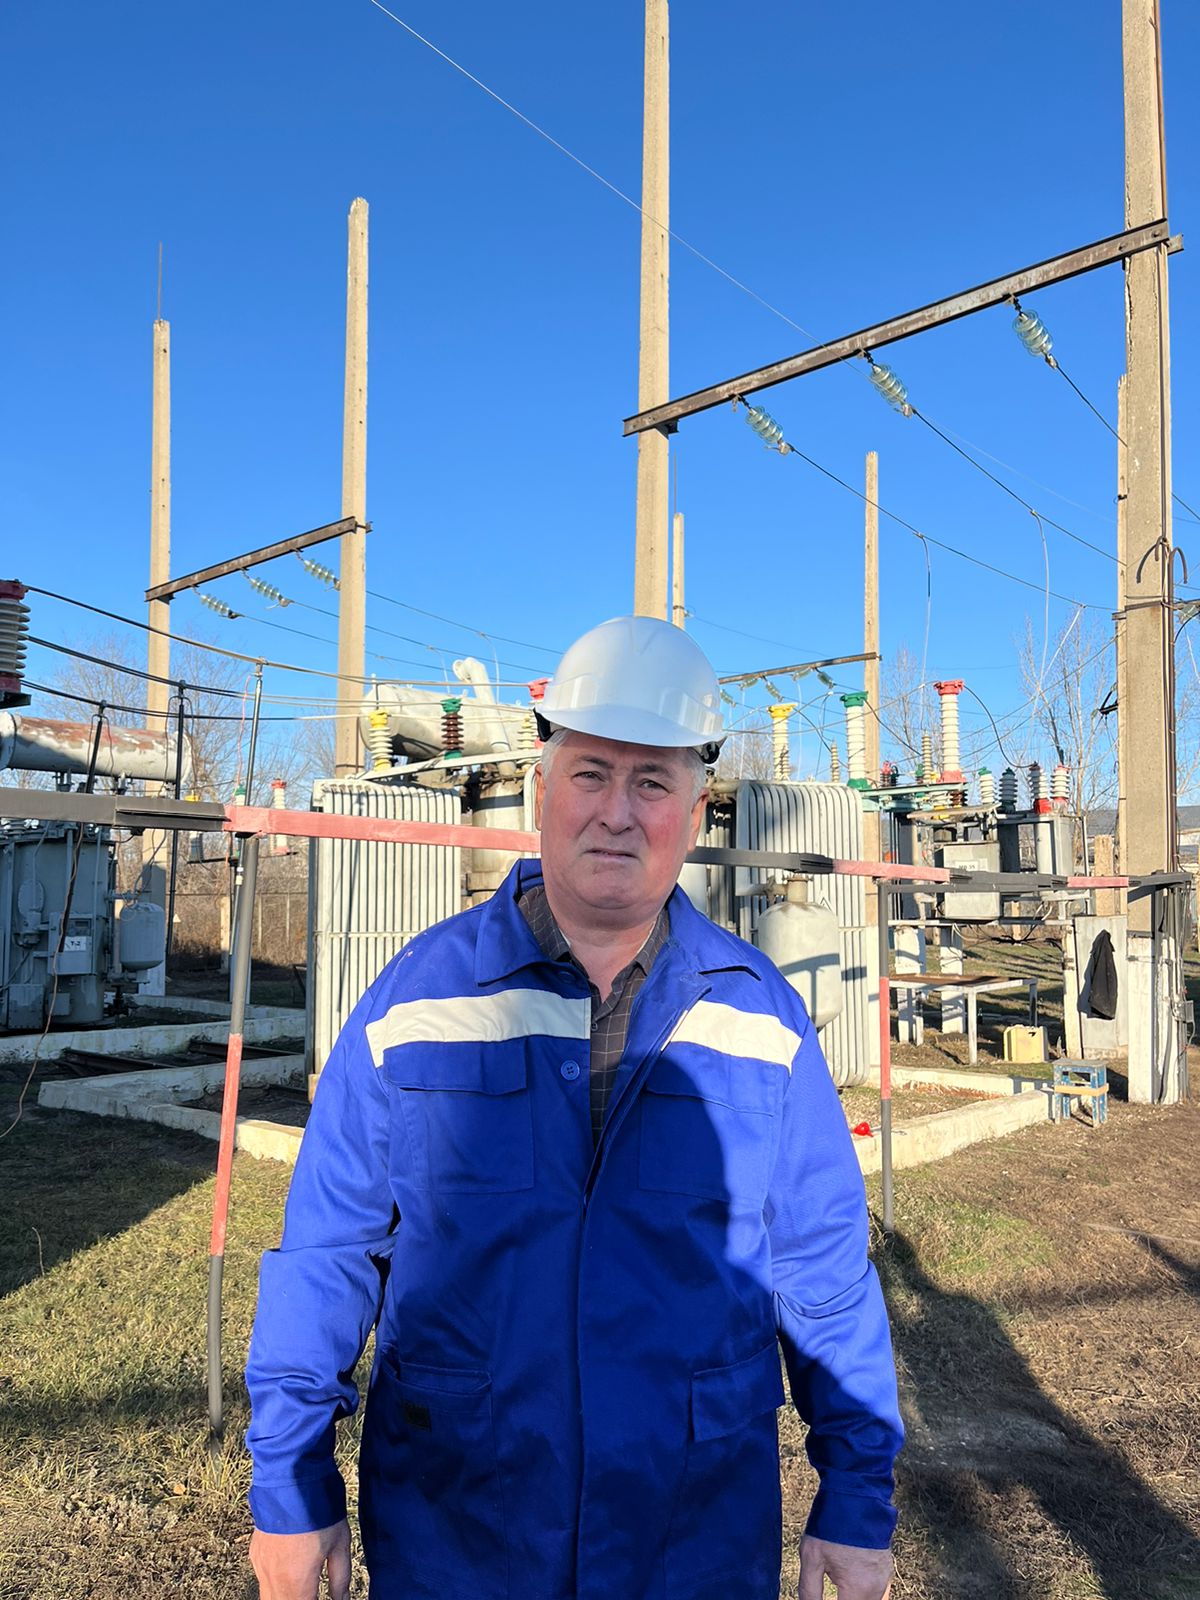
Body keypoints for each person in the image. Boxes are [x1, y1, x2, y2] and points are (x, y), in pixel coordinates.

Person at [246, 615, 903, 1600]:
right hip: (458, 1534)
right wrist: (291, 1490)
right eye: (591, 773)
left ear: (696, 807)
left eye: (653, 782)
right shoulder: (418, 1002)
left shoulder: (760, 1019)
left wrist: (856, 1498)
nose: (617, 813)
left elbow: (822, 1272)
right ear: (541, 788)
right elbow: (330, 1253)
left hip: (690, 1539)